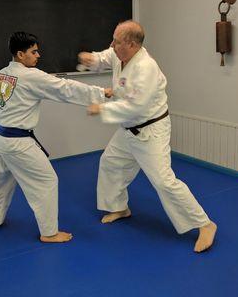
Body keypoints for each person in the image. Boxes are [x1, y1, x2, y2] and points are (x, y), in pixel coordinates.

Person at [78, 20, 217, 253]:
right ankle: (119, 208)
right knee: (110, 163)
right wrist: (92, 59)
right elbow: (105, 57)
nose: (111, 45)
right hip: (127, 129)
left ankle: (204, 224)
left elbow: (136, 106)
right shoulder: (119, 53)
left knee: (163, 181)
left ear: (131, 44)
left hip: (150, 130)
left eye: (117, 41)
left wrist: (102, 109)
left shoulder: (146, 67)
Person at [0, 31, 108, 243]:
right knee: (46, 181)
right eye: (34, 51)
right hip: (18, 142)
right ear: (20, 54)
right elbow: (65, 88)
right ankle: (49, 233)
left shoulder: (0, 74)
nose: (38, 56)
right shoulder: (32, 76)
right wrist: (101, 93)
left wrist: (7, 120)